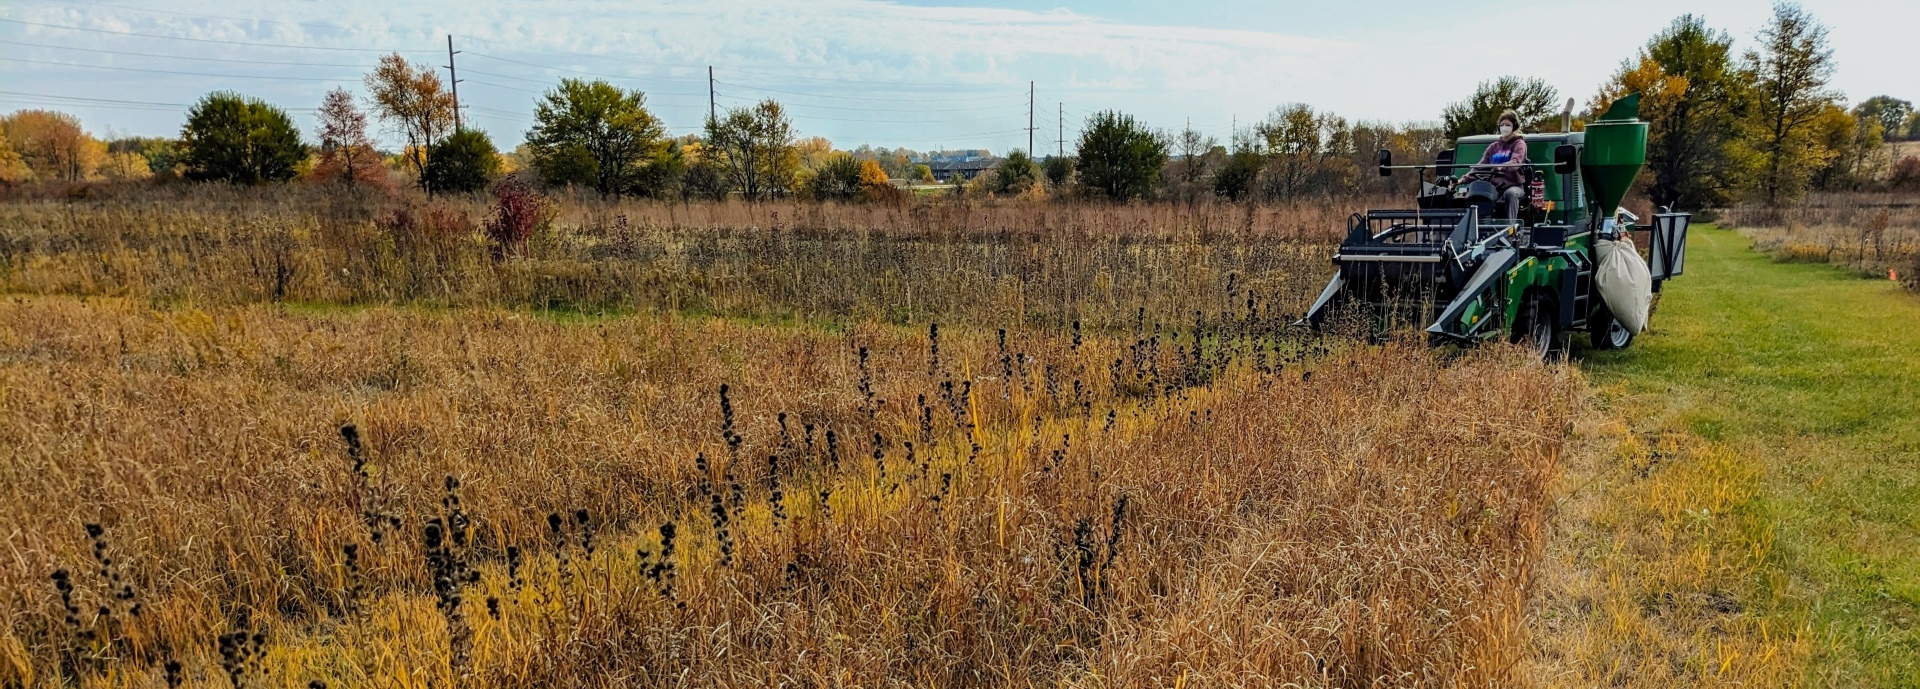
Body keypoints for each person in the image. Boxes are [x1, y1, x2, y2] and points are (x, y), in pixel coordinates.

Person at [1459, 109, 1529, 222]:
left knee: (1511, 194)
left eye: (1508, 125)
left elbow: (1516, 161)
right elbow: (1480, 167)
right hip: (1493, 187)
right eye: (1502, 125)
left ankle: (1510, 228)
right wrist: (1462, 179)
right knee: (1475, 193)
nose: (1504, 127)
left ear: (1514, 127)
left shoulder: (1519, 144)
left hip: (1514, 186)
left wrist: (1503, 166)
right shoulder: (1493, 147)